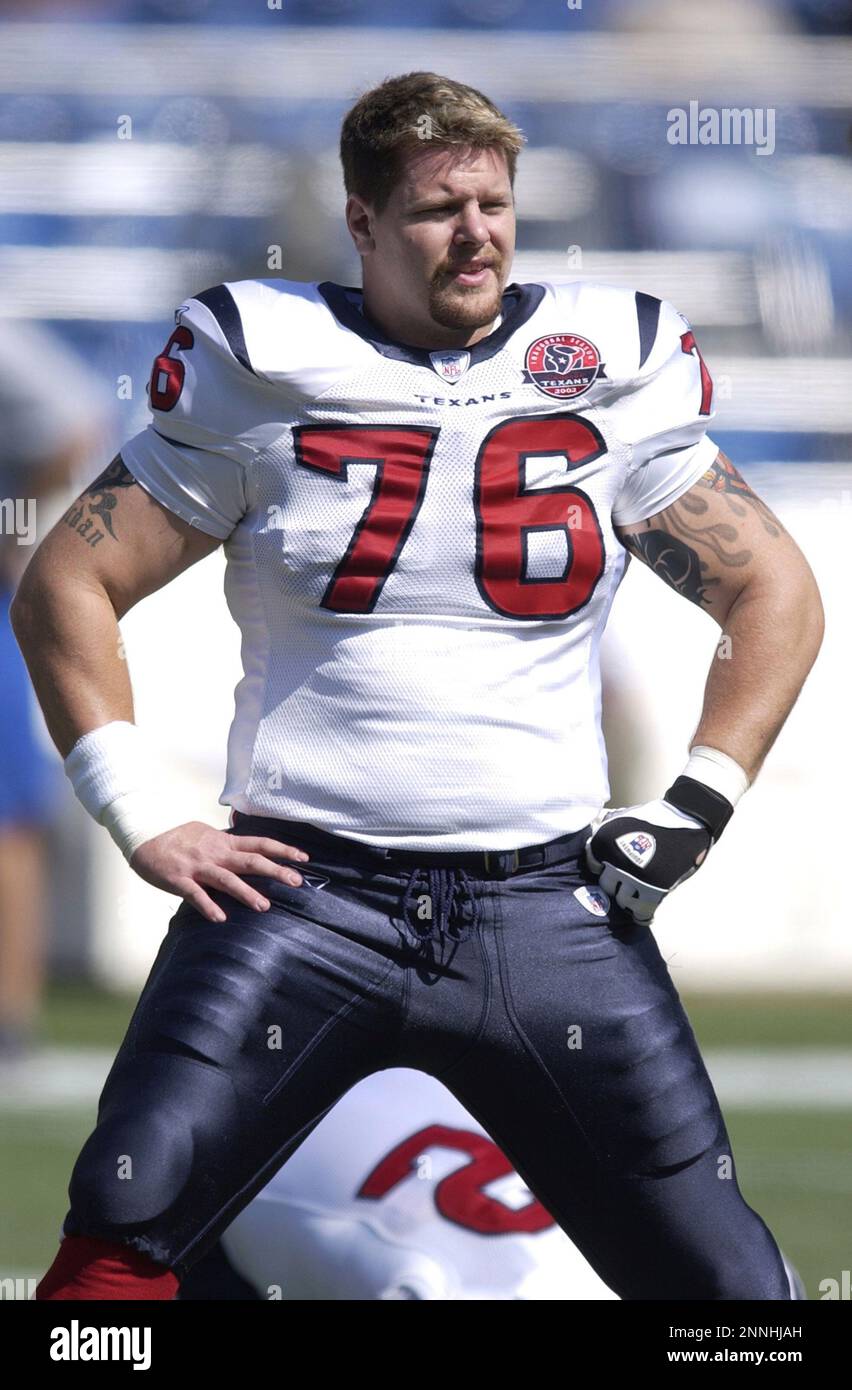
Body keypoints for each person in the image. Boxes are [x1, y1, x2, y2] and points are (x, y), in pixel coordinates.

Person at [14, 71, 823, 1302]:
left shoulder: (607, 362)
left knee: (733, 1294)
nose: (478, 232)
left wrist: (699, 797)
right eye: (443, 207)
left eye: (495, 203)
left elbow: (774, 592)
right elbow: (66, 582)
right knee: (118, 1239)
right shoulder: (268, 360)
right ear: (363, 222)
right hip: (307, 892)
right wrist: (135, 810)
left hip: (548, 908)